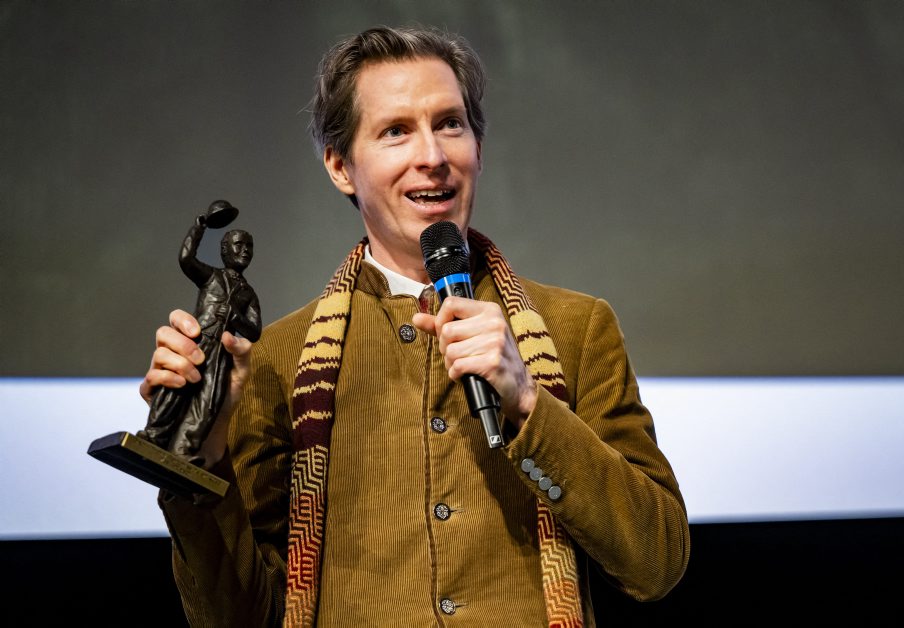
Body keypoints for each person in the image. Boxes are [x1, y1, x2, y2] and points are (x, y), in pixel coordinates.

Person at [140, 25, 690, 626]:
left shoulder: (576, 328)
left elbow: (656, 563)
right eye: (396, 131)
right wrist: (205, 458)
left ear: (478, 147)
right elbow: (237, 618)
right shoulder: (278, 357)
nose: (432, 156)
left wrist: (530, 405)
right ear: (340, 166)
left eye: (450, 124)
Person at [139, 202, 262, 464]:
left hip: (220, 355)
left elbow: (254, 330)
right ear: (224, 250)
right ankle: (154, 436)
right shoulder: (211, 277)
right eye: (238, 245)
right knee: (175, 388)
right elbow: (186, 259)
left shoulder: (248, 293)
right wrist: (199, 227)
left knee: (208, 403)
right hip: (197, 342)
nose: (245, 250)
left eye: (249, 246)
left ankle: (184, 448)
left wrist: (234, 316)